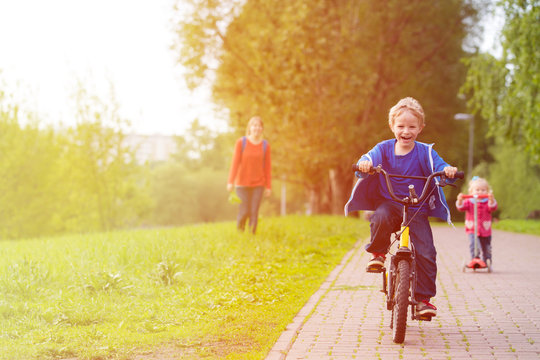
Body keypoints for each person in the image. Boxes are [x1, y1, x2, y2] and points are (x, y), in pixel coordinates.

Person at [344, 97, 458, 318]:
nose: (406, 131)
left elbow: (440, 166)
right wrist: (365, 164)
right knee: (380, 216)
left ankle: (423, 300)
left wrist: (448, 170)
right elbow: (367, 158)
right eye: (401, 126)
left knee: (426, 251)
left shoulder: (425, 152)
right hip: (391, 203)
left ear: (420, 128)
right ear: (392, 126)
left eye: (412, 126)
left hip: (417, 209)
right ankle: (377, 253)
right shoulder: (384, 149)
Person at [227, 116, 272, 234]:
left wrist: (268, 186)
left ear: (262, 129)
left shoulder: (265, 145)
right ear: (250, 128)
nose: (256, 128)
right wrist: (230, 181)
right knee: (244, 210)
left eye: (259, 126)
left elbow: (267, 167)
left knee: (254, 211)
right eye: (254, 125)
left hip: (259, 183)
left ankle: (252, 235)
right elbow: (235, 163)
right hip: (242, 183)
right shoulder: (241, 142)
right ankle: (240, 232)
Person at [456, 176, 498, 265]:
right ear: (471, 192)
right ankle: (475, 259)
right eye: (477, 190)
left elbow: (492, 207)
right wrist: (460, 201)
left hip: (485, 230)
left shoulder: (487, 202)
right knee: (474, 245)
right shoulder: (468, 201)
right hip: (472, 230)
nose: (480, 192)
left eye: (483, 190)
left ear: (487, 191)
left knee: (486, 247)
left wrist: (491, 199)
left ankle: (487, 260)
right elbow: (461, 208)